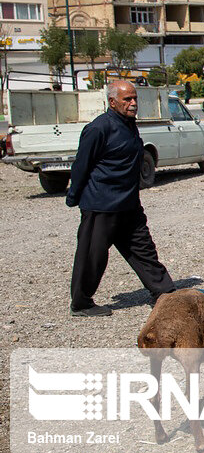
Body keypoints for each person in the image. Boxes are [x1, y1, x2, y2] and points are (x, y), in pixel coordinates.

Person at [66, 80, 175, 316]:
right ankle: (81, 303)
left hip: (128, 204)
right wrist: (74, 196)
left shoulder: (129, 125)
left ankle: (165, 293)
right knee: (92, 256)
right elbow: (81, 165)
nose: (133, 103)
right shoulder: (98, 128)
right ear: (112, 102)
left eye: (135, 98)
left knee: (143, 249)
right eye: (127, 99)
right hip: (101, 205)